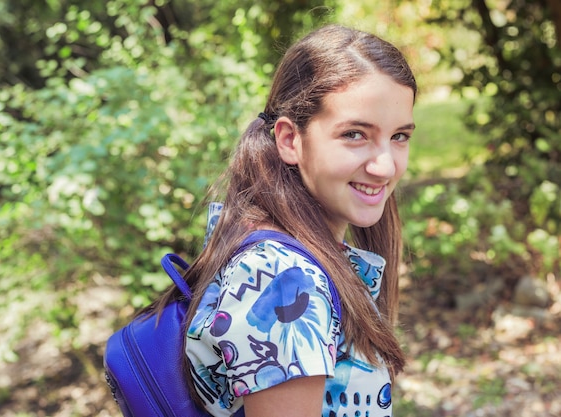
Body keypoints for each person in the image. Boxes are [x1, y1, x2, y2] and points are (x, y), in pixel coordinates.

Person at [154, 24, 416, 417]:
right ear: (290, 140)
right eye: (355, 135)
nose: (384, 166)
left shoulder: (268, 241)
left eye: (399, 136)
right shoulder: (283, 278)